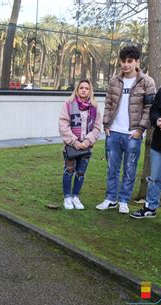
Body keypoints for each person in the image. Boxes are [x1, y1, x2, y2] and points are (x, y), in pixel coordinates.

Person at [96, 46, 156, 214]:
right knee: (112, 168)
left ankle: (123, 200)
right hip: (113, 132)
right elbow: (108, 104)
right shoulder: (114, 81)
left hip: (132, 134)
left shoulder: (147, 82)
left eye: (130, 61)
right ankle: (110, 199)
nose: (126, 64)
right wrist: (106, 126)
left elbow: (149, 108)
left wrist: (140, 130)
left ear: (137, 62)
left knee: (129, 169)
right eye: (123, 61)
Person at [129, 82, 161, 231]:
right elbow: (153, 111)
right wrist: (157, 120)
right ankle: (150, 208)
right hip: (160, 146)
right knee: (155, 179)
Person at [59, 80, 101, 210]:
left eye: (86, 88)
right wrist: (75, 142)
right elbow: (63, 124)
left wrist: (87, 142)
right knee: (69, 171)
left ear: (90, 91)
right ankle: (67, 197)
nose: (83, 90)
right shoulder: (68, 104)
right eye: (81, 88)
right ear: (77, 90)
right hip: (71, 145)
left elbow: (97, 127)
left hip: (86, 146)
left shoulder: (94, 107)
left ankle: (75, 196)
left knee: (81, 172)